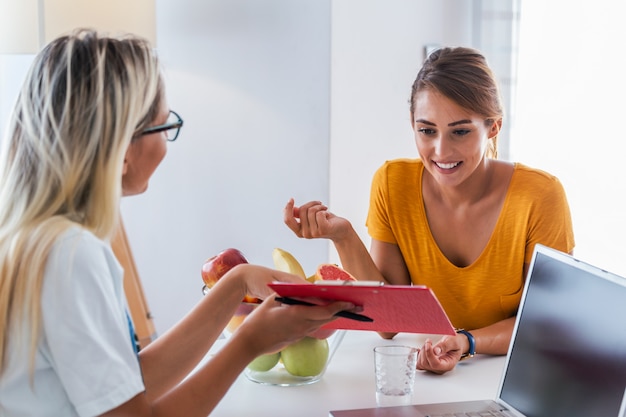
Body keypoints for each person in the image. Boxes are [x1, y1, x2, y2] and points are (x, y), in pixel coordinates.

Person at [0, 29, 355, 416]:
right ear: (121, 148)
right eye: (164, 126)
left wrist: (237, 283)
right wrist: (248, 344)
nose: (167, 142)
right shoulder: (73, 256)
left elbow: (129, 384)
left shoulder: (33, 240)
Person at [284, 46, 575, 375]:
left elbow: (547, 324)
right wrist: (343, 236)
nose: (441, 150)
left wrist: (465, 342)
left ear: (493, 126)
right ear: (412, 123)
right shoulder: (392, 184)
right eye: (427, 130)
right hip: (426, 377)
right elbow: (389, 322)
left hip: (516, 377)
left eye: (460, 131)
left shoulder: (540, 196)